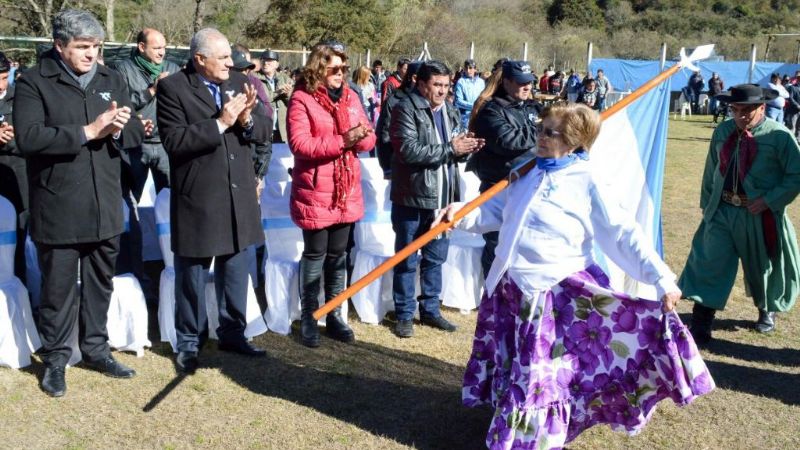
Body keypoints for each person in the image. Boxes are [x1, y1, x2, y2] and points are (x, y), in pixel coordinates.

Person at [435, 102, 713, 449]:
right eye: (540, 128)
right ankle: (513, 424)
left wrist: (661, 279)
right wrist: (459, 214)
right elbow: (497, 210)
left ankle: (527, 440)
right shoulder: (527, 169)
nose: (540, 136)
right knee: (519, 366)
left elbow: (622, 232)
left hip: (555, 294)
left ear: (574, 141)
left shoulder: (588, 179)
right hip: (512, 289)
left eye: (550, 132)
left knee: (538, 376)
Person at [14, 9, 145, 397]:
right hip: (59, 203)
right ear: (59, 45)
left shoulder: (111, 78)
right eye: (82, 47)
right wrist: (87, 132)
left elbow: (135, 129)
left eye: (97, 46)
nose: (91, 54)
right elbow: (30, 138)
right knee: (57, 290)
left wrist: (122, 128)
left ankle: (96, 348)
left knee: (100, 283)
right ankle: (56, 359)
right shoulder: (34, 82)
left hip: (105, 200)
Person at [157, 28, 270, 374]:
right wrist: (221, 122)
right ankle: (190, 341)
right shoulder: (173, 88)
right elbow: (175, 141)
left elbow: (265, 130)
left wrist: (248, 119)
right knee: (191, 273)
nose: (229, 63)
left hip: (238, 194)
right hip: (200, 196)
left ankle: (233, 332)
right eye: (221, 58)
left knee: (236, 267)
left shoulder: (237, 81)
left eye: (229, 58)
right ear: (199, 59)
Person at [680, 83, 800, 343]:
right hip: (723, 209)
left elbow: (795, 175)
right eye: (736, 110)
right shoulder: (723, 131)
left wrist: (769, 200)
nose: (740, 116)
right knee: (710, 261)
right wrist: (707, 204)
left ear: (762, 107)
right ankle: (701, 320)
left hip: (758, 213)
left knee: (762, 265)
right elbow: (712, 168)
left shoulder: (779, 136)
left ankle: (766, 309)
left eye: (747, 110)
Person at [287, 42, 375, 348]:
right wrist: (343, 140)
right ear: (318, 69)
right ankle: (310, 317)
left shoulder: (351, 97)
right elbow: (300, 145)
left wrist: (360, 139)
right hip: (315, 189)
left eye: (344, 69)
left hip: (345, 188)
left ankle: (335, 315)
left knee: (339, 256)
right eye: (334, 69)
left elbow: (369, 135)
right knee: (315, 255)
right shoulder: (302, 99)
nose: (340, 74)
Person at [389, 60, 484, 338]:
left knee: (435, 258)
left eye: (446, 85)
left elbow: (452, 152)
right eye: (436, 85)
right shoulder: (404, 109)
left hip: (444, 198)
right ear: (420, 84)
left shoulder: (451, 111)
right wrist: (450, 148)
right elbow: (408, 151)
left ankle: (430, 310)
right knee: (407, 258)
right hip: (412, 197)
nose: (442, 91)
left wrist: (467, 148)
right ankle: (405, 314)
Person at [468, 60, 541, 278]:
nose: (527, 87)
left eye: (529, 82)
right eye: (521, 82)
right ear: (507, 82)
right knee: (498, 245)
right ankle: (492, 296)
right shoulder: (491, 111)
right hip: (499, 187)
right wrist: (544, 132)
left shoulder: (533, 107)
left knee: (523, 245)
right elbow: (508, 140)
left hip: (528, 186)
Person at [114, 28, 180, 201]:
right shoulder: (123, 70)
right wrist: (152, 91)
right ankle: (132, 228)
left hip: (165, 144)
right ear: (142, 47)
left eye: (164, 47)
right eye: (157, 48)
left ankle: (169, 229)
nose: (162, 52)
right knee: (130, 197)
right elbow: (120, 105)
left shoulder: (172, 68)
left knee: (171, 195)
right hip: (135, 145)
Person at [0, 51, 27, 283]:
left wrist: (10, 141)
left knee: (18, 233)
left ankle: (20, 287)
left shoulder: (20, 98)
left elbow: (32, 139)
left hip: (16, 175)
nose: (0, 84)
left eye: (3, 77)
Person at [375, 61, 421, 178]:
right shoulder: (395, 100)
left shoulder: (430, 101)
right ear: (414, 78)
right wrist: (388, 168)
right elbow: (384, 135)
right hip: (399, 166)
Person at [258, 49, 293, 143]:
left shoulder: (285, 79)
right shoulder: (255, 79)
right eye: (263, 60)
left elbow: (294, 103)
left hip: (282, 129)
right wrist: (278, 93)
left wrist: (288, 95)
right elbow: (260, 100)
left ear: (277, 64)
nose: (266, 63)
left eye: (270, 61)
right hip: (263, 128)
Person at [454, 59, 485, 129]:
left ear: (475, 69)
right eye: (466, 68)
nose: (468, 70)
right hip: (465, 119)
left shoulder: (481, 82)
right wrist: (475, 106)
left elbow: (484, 98)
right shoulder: (461, 82)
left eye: (470, 68)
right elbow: (458, 102)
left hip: (479, 116)